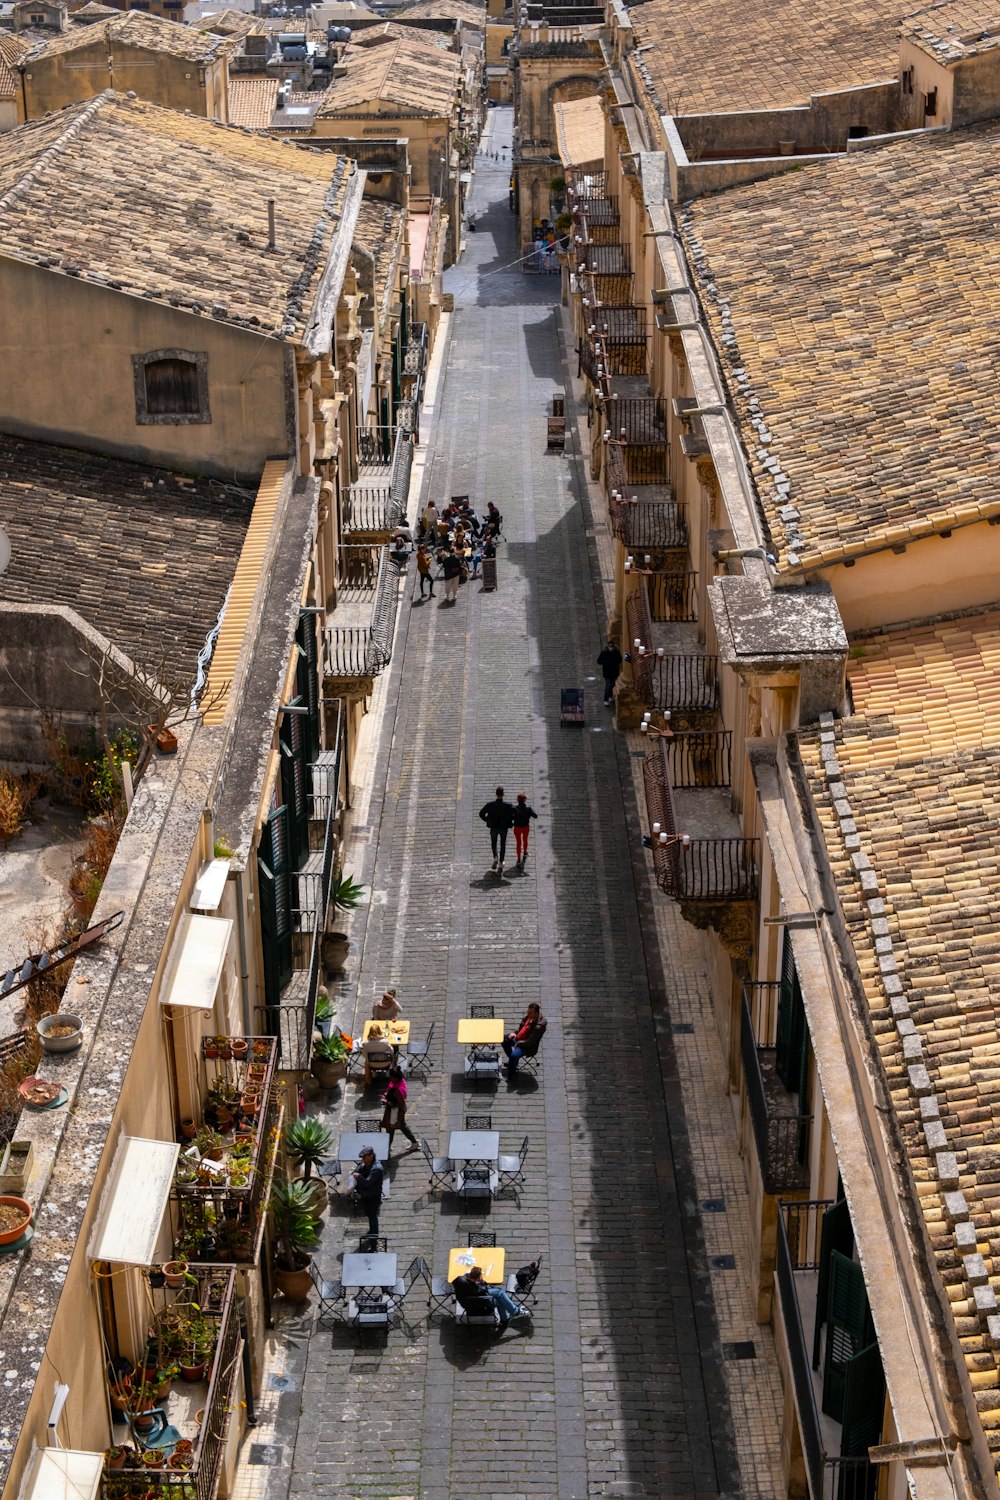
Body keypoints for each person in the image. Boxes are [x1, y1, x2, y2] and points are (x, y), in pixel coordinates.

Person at [452, 1265, 529, 1329]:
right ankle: (513, 1312)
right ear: (477, 1278)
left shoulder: (460, 1279)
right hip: (478, 1303)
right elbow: (483, 1289)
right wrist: (482, 1281)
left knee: (500, 1293)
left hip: (468, 1300)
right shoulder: (477, 1289)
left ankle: (508, 1316)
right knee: (500, 1299)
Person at [351, 1146, 384, 1247]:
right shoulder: (367, 1163)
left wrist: (359, 1176)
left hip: (373, 1196)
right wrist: (357, 1172)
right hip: (366, 1195)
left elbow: (367, 1183)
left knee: (373, 1216)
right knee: (368, 1213)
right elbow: (360, 1168)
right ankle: (372, 1230)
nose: (363, 1160)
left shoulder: (377, 1168)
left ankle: (374, 1238)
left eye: (365, 1158)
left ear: (371, 1156)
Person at [503, 1002, 546, 1077]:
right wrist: (514, 1033)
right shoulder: (530, 1017)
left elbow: (530, 1042)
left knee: (513, 1056)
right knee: (504, 1039)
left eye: (530, 1013)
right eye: (528, 1012)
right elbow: (521, 1028)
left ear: (536, 1013)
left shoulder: (538, 1027)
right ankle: (512, 1062)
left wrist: (518, 1043)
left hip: (527, 1046)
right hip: (519, 1038)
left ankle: (512, 1074)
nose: (528, 1014)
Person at [380, 1065, 417, 1150]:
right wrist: (386, 1095)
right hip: (395, 1110)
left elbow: (400, 1103)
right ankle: (414, 1142)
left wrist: (388, 1103)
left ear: (396, 1078)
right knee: (401, 1126)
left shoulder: (397, 1090)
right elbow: (389, 1090)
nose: (390, 1079)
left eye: (391, 1077)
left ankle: (387, 1147)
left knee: (390, 1128)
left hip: (395, 1111)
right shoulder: (399, 1082)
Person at [479, 786, 515, 873]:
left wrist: (488, 820)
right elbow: (517, 813)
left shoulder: (490, 805)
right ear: (503, 794)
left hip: (494, 827)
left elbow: (481, 813)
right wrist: (511, 821)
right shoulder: (508, 806)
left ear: (496, 794)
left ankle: (495, 856)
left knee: (494, 842)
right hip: (503, 828)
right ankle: (501, 862)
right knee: (503, 844)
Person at [511, 792, 537, 870]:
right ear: (524, 800)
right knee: (525, 839)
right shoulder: (528, 809)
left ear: (517, 800)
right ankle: (525, 852)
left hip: (517, 828)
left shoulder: (514, 809)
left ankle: (518, 859)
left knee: (518, 842)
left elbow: (511, 817)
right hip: (525, 827)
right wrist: (530, 812)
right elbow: (535, 816)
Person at [597, 638, 623, 706]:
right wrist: (605, 663)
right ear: (608, 646)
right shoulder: (604, 653)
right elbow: (599, 661)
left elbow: (620, 660)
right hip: (607, 672)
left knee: (612, 685)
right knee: (608, 685)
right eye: (610, 646)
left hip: (614, 672)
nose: (610, 648)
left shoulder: (616, 652)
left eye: (611, 646)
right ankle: (605, 699)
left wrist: (615, 662)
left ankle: (610, 696)